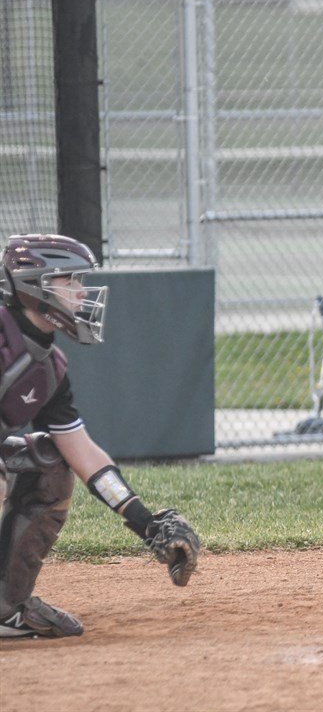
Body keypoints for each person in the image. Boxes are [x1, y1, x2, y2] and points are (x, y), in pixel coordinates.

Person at [0, 234, 200, 638]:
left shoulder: (49, 367)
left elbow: (82, 452)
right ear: (35, 286)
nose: (81, 292)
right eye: (70, 280)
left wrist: (145, 522)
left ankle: (6, 608)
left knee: (51, 465)